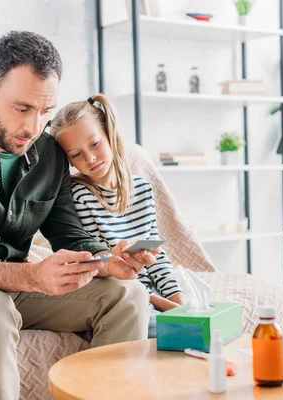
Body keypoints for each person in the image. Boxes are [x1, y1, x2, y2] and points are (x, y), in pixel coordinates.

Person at [0, 31, 159, 400]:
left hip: (19, 285)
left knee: (128, 295)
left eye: (45, 112)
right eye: (22, 108)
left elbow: (69, 235)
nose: (33, 126)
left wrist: (108, 261)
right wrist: (32, 276)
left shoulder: (49, 153)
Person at [50, 94, 185, 338]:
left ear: (109, 134)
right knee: (164, 327)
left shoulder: (142, 188)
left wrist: (180, 303)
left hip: (152, 291)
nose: (89, 158)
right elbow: (101, 269)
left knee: (205, 313)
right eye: (76, 154)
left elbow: (157, 257)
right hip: (117, 288)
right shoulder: (79, 196)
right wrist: (168, 308)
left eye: (94, 144)